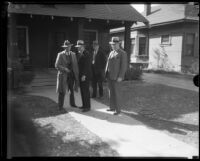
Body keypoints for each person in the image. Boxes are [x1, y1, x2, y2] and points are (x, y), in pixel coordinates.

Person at [105, 37, 127, 115]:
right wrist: (106, 73)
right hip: (110, 76)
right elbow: (108, 64)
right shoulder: (111, 53)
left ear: (118, 44)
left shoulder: (122, 53)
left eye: (114, 44)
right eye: (112, 44)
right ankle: (112, 107)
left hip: (117, 77)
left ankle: (118, 110)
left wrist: (120, 76)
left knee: (117, 93)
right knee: (111, 92)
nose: (113, 46)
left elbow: (123, 66)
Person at [55, 40, 79, 112]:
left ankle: (72, 103)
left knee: (71, 90)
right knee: (62, 91)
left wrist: (76, 74)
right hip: (63, 75)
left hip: (71, 76)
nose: (68, 48)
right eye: (67, 47)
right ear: (64, 47)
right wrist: (64, 69)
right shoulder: (60, 54)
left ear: (71, 46)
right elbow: (56, 65)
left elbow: (75, 65)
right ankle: (60, 106)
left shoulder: (73, 54)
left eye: (69, 46)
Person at [75, 40, 92, 112]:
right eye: (78, 47)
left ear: (82, 47)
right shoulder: (79, 54)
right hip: (80, 75)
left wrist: (84, 75)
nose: (78, 48)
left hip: (85, 76)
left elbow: (87, 66)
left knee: (85, 91)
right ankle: (84, 105)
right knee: (82, 91)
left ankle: (87, 107)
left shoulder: (87, 54)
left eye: (79, 47)